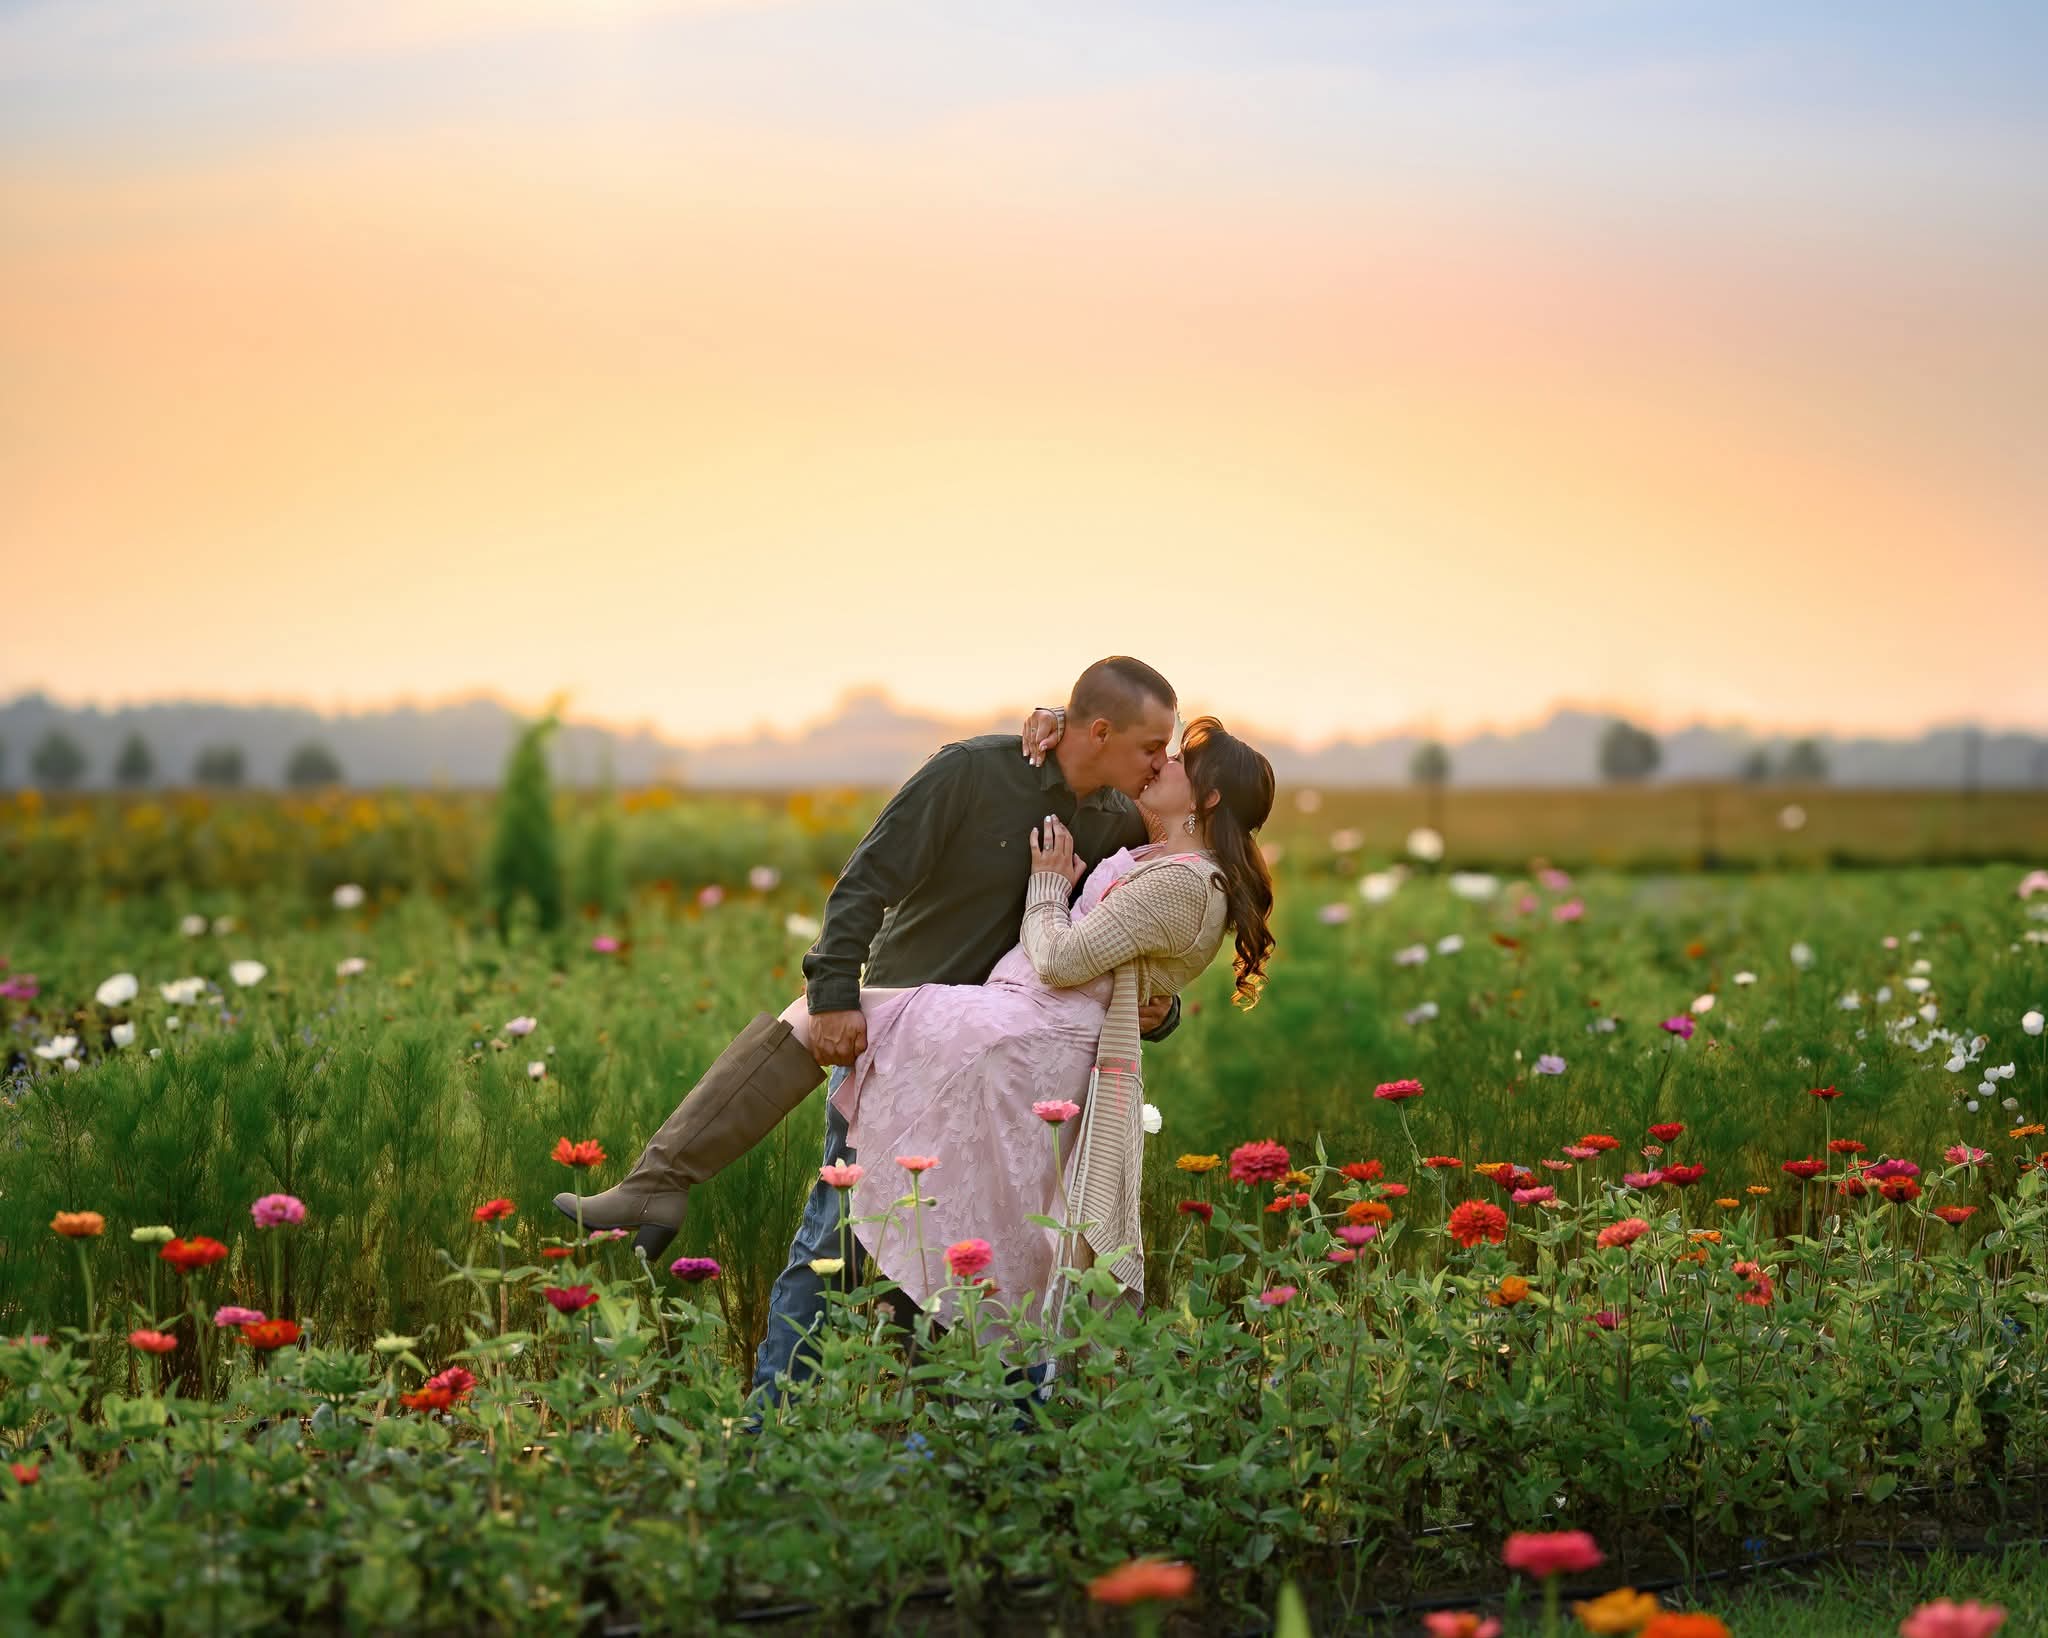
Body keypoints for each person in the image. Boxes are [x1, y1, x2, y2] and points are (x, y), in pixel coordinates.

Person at [558, 657, 1187, 1401]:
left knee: (957, 1270)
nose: (1162, 761)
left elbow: (1112, 936)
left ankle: (931, 1450)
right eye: (1152, 745)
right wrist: (832, 997)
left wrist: (1160, 1009)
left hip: (998, 1083)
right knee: (834, 1252)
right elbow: (865, 882)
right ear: (1103, 730)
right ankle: (773, 1429)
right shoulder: (973, 773)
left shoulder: (1118, 818)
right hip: (899, 1048)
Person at [791, 714, 1276, 1362]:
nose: (1161, 763)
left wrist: (1050, 882)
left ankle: (965, 1415)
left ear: (1209, 796)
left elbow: (1069, 960)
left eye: (1176, 760)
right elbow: (1131, 946)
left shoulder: (1181, 872)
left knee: (921, 1238)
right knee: (895, 1233)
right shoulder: (1144, 835)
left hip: (1010, 1049)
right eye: (1155, 751)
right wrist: (1059, 718)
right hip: (984, 1033)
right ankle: (671, 1176)